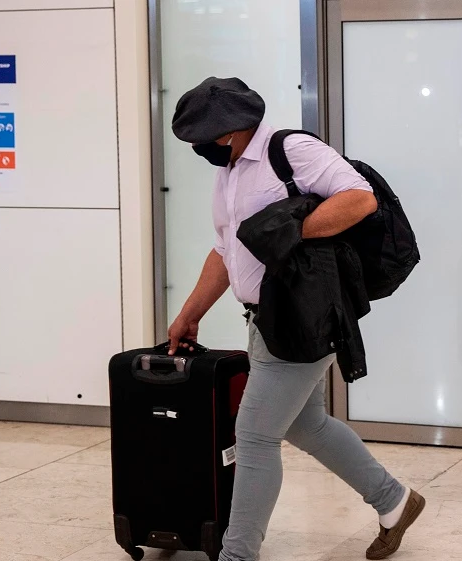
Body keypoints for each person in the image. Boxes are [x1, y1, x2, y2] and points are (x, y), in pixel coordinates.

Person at [168, 77, 423, 561]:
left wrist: (287, 231)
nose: (199, 150)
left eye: (202, 140)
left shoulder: (291, 150)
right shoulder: (229, 174)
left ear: (228, 133)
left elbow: (359, 197)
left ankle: (237, 555)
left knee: (256, 436)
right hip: (264, 316)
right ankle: (394, 500)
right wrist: (189, 313)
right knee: (306, 425)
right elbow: (226, 250)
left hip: (305, 314)